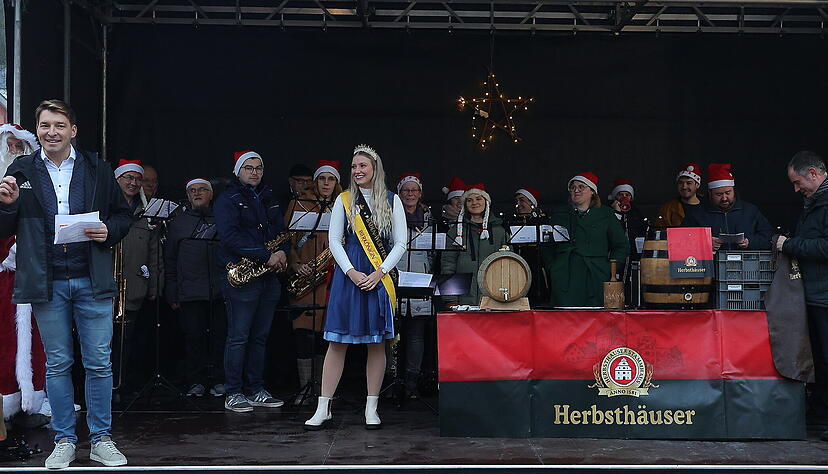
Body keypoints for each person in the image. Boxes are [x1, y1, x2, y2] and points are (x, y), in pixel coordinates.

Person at [0, 100, 132, 468]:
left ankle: (102, 438)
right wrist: (7, 205)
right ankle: (64, 440)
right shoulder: (21, 169)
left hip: (91, 279)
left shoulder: (97, 168)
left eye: (59, 125)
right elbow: (4, 228)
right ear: (37, 130)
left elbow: (124, 215)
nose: (51, 132)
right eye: (45, 125)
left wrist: (109, 231)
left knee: (99, 363)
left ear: (73, 130)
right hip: (48, 283)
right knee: (58, 364)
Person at [304, 144, 406, 430]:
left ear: (375, 169)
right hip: (349, 277)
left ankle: (371, 408)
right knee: (337, 343)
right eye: (354, 167)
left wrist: (380, 272)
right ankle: (323, 407)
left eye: (363, 165)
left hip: (377, 277)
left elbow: (400, 243)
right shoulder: (344, 200)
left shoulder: (392, 200)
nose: (357, 170)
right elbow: (334, 240)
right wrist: (350, 271)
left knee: (376, 344)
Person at [215, 150, 289, 413]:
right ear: (238, 171)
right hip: (242, 276)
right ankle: (233, 392)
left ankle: (256, 389)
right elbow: (229, 238)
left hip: (267, 277)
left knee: (260, 336)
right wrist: (266, 254)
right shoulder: (227, 199)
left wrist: (282, 253)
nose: (255, 172)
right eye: (249, 168)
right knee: (239, 337)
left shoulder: (269, 197)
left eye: (258, 168)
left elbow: (282, 233)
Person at [777, 150, 828, 439]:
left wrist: (790, 245)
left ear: (813, 173)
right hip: (814, 293)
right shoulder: (813, 202)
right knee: (819, 359)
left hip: (824, 296)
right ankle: (819, 416)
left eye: (798, 182)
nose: (796, 189)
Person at [284, 160, 341, 405]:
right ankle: (305, 388)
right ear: (315, 182)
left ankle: (322, 391)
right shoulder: (298, 204)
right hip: (305, 277)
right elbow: (287, 238)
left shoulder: (343, 206)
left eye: (331, 179)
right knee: (304, 335)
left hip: (332, 279)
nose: (326, 183)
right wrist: (295, 264)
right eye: (322, 179)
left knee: (325, 337)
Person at [165, 178, 226, 398]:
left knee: (220, 338)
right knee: (193, 339)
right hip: (190, 292)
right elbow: (169, 260)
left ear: (211, 195)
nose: (197, 194)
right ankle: (195, 381)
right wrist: (172, 292)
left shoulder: (222, 219)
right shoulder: (178, 223)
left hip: (220, 291)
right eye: (192, 191)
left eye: (202, 190)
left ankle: (219, 379)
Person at [541, 172, 629, 307]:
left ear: (592, 191)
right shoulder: (559, 214)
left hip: (596, 275)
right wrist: (553, 267)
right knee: (564, 318)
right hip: (565, 275)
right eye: (573, 187)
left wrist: (610, 269)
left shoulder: (606, 215)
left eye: (581, 187)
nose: (576, 190)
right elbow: (547, 244)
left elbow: (621, 245)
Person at [395, 173, 435, 398]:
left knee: (416, 335)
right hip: (396, 276)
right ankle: (391, 380)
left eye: (414, 190)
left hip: (420, 277)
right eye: (405, 190)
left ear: (420, 194)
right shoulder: (390, 216)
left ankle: (411, 382)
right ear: (399, 193)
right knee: (392, 334)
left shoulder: (429, 218)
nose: (410, 194)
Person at [441, 184, 510, 306]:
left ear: (486, 202)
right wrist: (450, 298)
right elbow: (448, 264)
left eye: (478, 199)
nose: (474, 203)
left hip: (493, 297)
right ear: (465, 205)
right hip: (463, 299)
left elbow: (509, 267)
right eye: (469, 200)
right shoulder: (455, 231)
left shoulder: (499, 232)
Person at [682, 163, 773, 251]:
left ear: (733, 190)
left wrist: (750, 242)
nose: (724, 198)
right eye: (719, 194)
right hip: (710, 265)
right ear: (710, 193)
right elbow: (681, 239)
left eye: (728, 193)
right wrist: (705, 243)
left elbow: (769, 237)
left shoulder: (751, 211)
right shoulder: (696, 214)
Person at [511, 187, 550, 306]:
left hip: (537, 265)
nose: (518, 204)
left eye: (522, 200)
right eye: (517, 201)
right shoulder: (513, 222)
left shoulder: (542, 221)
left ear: (532, 203)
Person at [654, 162, 703, 229]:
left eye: (689, 183)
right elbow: (659, 233)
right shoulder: (668, 209)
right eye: (680, 183)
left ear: (697, 185)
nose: (684, 187)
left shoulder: (708, 206)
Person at [608, 178, 647, 260]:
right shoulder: (608, 211)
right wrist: (616, 212)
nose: (624, 197)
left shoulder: (636, 212)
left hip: (632, 253)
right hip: (614, 252)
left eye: (627, 195)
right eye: (621, 194)